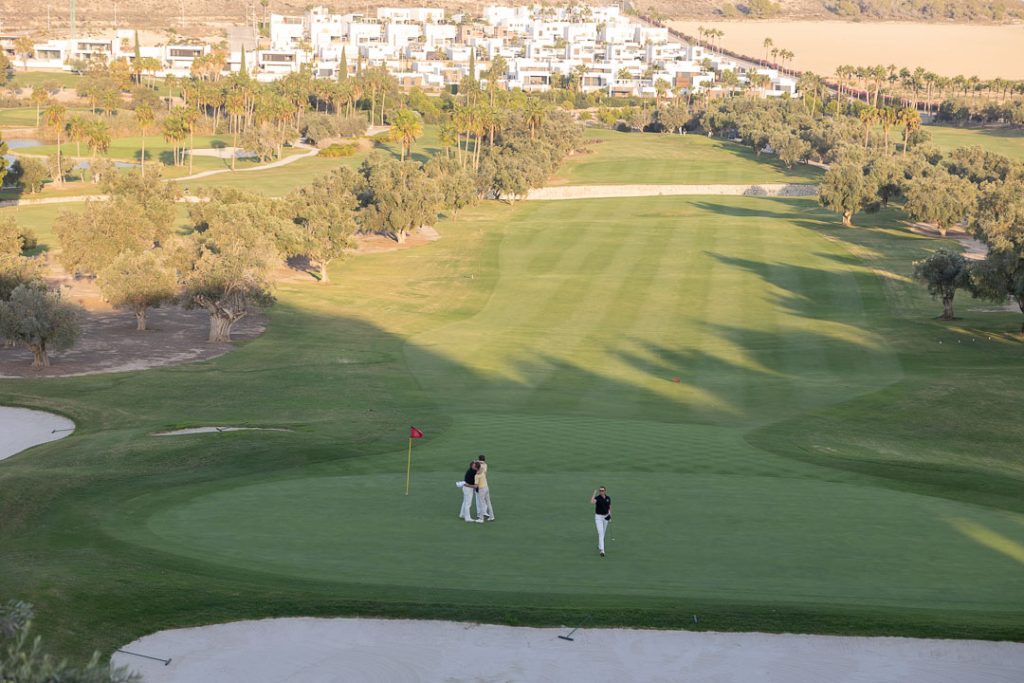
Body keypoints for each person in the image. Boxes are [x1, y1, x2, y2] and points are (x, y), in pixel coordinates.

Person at [591, 486, 611, 557]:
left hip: (606, 517)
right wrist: (594, 493)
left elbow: (609, 507)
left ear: (605, 491)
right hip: (598, 517)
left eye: (602, 490)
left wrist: (610, 515)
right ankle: (602, 551)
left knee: (603, 533)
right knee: (601, 533)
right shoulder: (597, 498)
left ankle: (600, 545)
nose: (601, 492)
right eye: (600, 491)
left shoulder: (608, 498)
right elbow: (592, 501)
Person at [475, 455, 494, 522]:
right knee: (488, 502)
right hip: (486, 487)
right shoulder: (484, 466)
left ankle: (481, 518)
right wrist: (480, 462)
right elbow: (481, 465)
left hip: (481, 489)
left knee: (481, 503)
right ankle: (491, 516)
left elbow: (476, 485)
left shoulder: (477, 475)